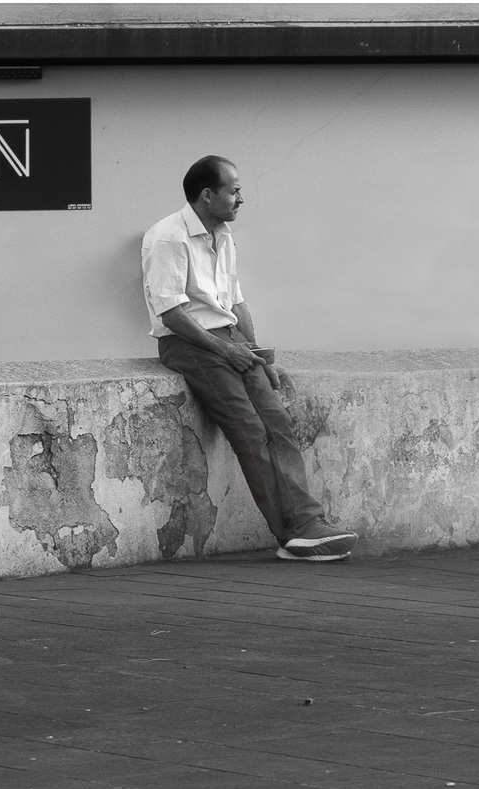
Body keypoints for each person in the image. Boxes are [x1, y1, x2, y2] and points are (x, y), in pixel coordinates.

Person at [140, 155, 358, 561]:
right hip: (190, 342)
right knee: (249, 431)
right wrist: (225, 349)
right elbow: (171, 314)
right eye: (234, 190)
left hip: (232, 341)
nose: (240, 198)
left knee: (279, 424)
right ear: (208, 195)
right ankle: (293, 533)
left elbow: (235, 302)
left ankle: (310, 522)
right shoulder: (168, 238)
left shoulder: (222, 235)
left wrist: (258, 356)